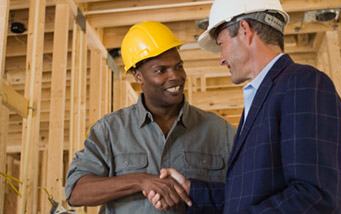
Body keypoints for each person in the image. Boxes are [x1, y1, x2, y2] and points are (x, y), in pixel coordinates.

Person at [147, 0, 341, 213]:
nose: (221, 59)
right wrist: (190, 190)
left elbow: (314, 197)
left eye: (221, 44)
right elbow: (244, 198)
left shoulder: (304, 84)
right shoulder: (264, 97)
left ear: (245, 30)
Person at [64, 21, 236, 214]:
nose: (175, 76)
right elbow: (76, 192)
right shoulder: (110, 130)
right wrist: (140, 181)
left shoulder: (220, 131)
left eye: (178, 67)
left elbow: (247, 193)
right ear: (138, 77)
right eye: (161, 70)